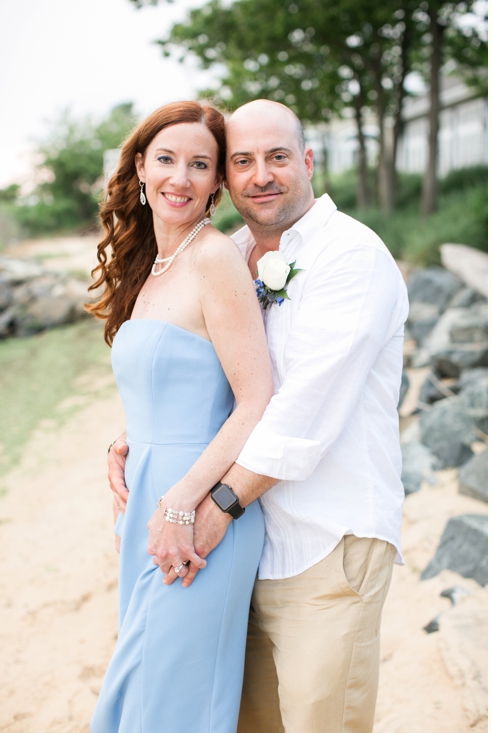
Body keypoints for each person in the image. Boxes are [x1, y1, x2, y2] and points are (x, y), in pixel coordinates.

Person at [109, 99, 410, 733]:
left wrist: (203, 506)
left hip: (326, 541)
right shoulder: (236, 249)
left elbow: (298, 414)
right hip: (251, 543)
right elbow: (211, 372)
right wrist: (140, 435)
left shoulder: (350, 256)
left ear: (307, 160)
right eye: (242, 161)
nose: (259, 175)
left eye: (276, 157)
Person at [89, 101, 274, 732]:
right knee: (140, 688)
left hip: (197, 510)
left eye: (201, 165)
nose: (181, 178)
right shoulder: (154, 263)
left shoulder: (213, 258)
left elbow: (255, 399)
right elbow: (179, 381)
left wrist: (181, 505)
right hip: (148, 500)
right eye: (166, 159)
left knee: (172, 708)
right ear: (140, 165)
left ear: (218, 182)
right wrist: (126, 439)